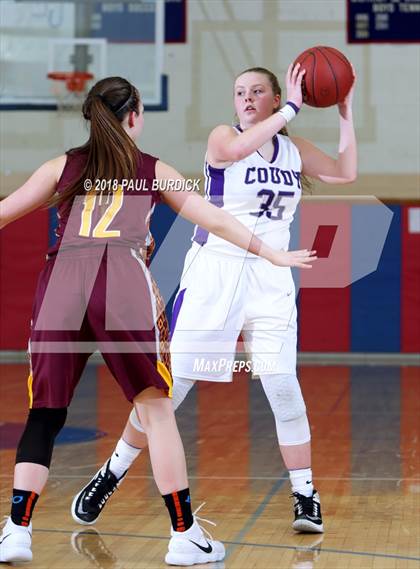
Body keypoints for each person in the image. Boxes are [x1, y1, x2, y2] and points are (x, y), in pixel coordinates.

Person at [0, 75, 315, 566]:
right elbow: (213, 219)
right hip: (120, 279)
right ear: (134, 117)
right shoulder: (150, 169)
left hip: (61, 281)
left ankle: (16, 530)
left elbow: (3, 212)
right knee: (156, 408)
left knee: (45, 413)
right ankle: (185, 535)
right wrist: (270, 252)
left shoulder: (62, 166)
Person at [70, 64, 356, 535]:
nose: (246, 98)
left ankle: (305, 495)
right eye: (240, 91)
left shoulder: (292, 149)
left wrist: (344, 110)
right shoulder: (224, 137)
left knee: (283, 387)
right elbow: (235, 149)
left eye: (257, 91)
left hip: (272, 272)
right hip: (215, 271)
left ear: (274, 95)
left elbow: (346, 172)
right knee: (171, 389)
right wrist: (292, 108)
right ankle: (112, 472)